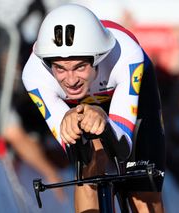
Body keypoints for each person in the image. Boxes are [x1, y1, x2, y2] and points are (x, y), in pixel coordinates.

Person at [22, 4, 165, 213]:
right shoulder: (34, 75)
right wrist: (70, 122)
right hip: (81, 105)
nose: (70, 80)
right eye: (60, 68)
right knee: (87, 168)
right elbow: (76, 151)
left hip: (130, 95)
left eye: (80, 66)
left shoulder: (126, 54)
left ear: (98, 57)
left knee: (142, 190)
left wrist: (103, 119)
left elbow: (122, 145)